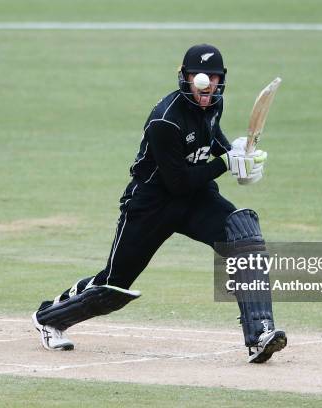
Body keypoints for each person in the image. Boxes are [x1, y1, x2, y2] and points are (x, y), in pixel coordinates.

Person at [32, 44, 287, 363]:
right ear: (186, 78)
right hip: (151, 204)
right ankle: (50, 318)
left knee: (243, 233)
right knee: (114, 287)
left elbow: (210, 136)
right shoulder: (164, 120)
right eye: (199, 78)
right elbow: (176, 182)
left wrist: (236, 151)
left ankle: (260, 334)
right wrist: (226, 163)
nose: (207, 88)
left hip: (196, 200)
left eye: (214, 79)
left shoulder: (212, 102)